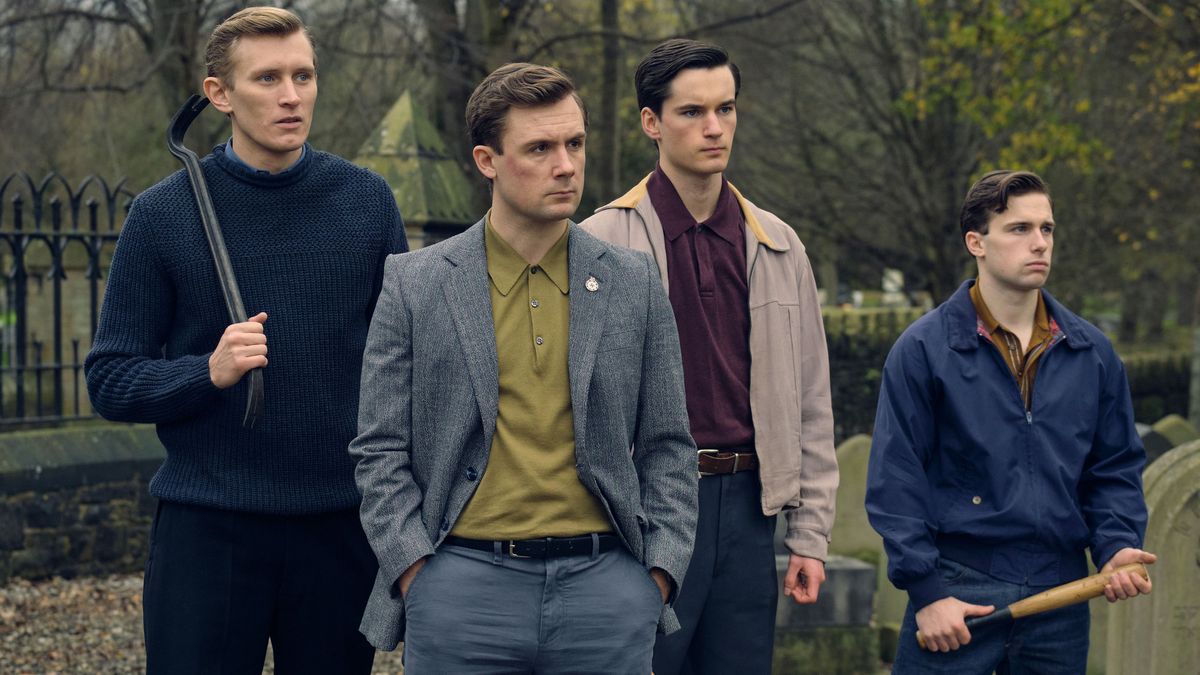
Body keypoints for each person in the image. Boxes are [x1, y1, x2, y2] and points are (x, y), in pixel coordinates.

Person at [85, 7, 407, 673]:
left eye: (303, 75)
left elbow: (402, 369)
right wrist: (207, 370)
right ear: (219, 95)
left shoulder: (367, 202)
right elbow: (110, 379)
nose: (292, 95)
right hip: (208, 528)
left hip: (338, 527)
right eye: (267, 78)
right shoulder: (162, 215)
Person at [350, 62, 697, 673]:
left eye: (574, 143)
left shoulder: (633, 281)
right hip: (461, 590)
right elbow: (379, 448)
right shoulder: (415, 283)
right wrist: (415, 572)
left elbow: (669, 442)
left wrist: (657, 575)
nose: (566, 165)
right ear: (488, 161)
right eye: (540, 148)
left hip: (607, 592)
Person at [580, 38, 839, 674]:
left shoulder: (779, 245)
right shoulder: (598, 242)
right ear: (651, 122)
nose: (715, 127)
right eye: (692, 112)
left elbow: (811, 400)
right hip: (644, 509)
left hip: (750, 509)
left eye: (726, 109)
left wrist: (811, 536)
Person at [866, 170, 1155, 673]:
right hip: (956, 596)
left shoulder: (1092, 352)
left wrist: (1117, 546)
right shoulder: (924, 349)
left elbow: (1114, 468)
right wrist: (927, 592)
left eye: (1047, 229)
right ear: (975, 242)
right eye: (1019, 229)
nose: (1039, 242)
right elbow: (897, 478)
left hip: (1061, 596)